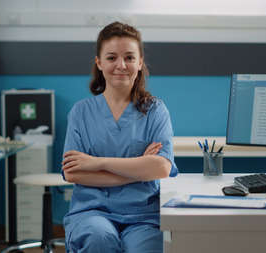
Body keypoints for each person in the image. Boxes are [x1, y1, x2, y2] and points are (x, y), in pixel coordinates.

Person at [61, 21, 178, 253]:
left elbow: (162, 167)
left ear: (140, 62)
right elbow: (73, 172)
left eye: (129, 57)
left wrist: (97, 162)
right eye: (112, 57)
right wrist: (138, 170)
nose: (121, 65)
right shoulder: (81, 112)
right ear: (99, 62)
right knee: (99, 240)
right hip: (92, 212)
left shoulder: (155, 110)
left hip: (143, 216)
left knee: (144, 248)